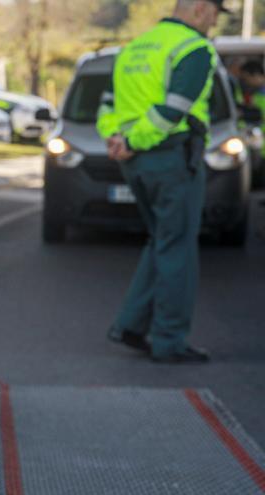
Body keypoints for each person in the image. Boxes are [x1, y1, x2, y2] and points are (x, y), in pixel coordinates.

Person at [96, 0, 229, 364]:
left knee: (162, 242)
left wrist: (116, 140)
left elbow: (107, 105)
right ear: (200, 8)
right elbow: (173, 110)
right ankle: (169, 341)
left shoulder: (135, 47)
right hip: (170, 158)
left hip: (135, 163)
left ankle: (131, 325)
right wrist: (134, 141)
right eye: (216, 14)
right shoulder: (194, 49)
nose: (215, 23)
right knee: (178, 248)